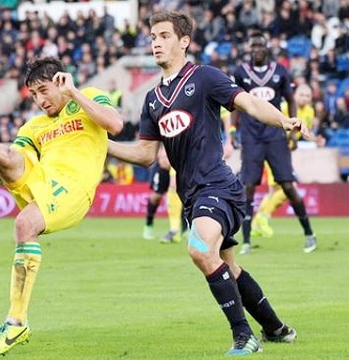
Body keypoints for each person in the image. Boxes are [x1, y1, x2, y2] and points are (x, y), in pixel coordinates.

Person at [108, 11, 304, 356]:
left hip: (219, 186)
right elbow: (144, 155)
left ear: (184, 41)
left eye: (164, 35)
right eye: (153, 36)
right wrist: (103, 146)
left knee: (199, 249)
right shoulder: (152, 100)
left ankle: (244, 336)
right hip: (191, 194)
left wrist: (282, 120)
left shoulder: (206, 77)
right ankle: (275, 328)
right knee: (227, 266)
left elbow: (251, 102)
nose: (156, 42)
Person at [0, 56, 123, 357]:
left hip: (74, 186)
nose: (40, 100)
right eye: (34, 95)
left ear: (62, 80)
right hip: (44, 178)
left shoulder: (87, 97)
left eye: (44, 90)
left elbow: (115, 124)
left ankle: (15, 322)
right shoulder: (33, 126)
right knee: (8, 156)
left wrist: (74, 93)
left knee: (24, 224)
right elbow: (6, 167)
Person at [231, 32, 317, 255]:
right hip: (251, 136)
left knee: (287, 185)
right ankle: (247, 240)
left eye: (261, 45)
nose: (257, 49)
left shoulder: (279, 71)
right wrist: (232, 129)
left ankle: (309, 233)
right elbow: (234, 103)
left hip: (275, 135)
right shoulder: (241, 72)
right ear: (250, 49)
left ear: (267, 48)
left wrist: (294, 127)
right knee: (248, 186)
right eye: (254, 46)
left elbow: (290, 99)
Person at [252, 84, 315, 238]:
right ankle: (263, 217)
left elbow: (303, 131)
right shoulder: (285, 107)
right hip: (273, 150)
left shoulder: (310, 112)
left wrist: (312, 139)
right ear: (295, 95)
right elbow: (274, 125)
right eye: (302, 94)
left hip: (284, 152)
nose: (304, 98)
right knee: (288, 187)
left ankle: (255, 225)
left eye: (308, 95)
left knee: (274, 191)